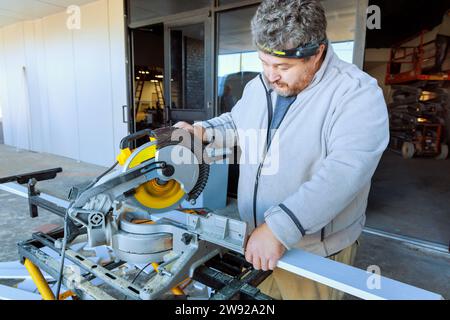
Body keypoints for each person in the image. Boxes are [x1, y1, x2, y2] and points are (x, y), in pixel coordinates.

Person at [175, 0, 389, 300]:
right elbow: (237, 123)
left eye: (282, 66)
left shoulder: (357, 94)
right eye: (264, 62)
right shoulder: (259, 86)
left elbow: (344, 174)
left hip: (314, 252)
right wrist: (203, 131)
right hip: (257, 238)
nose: (270, 75)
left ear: (317, 53)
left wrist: (279, 228)